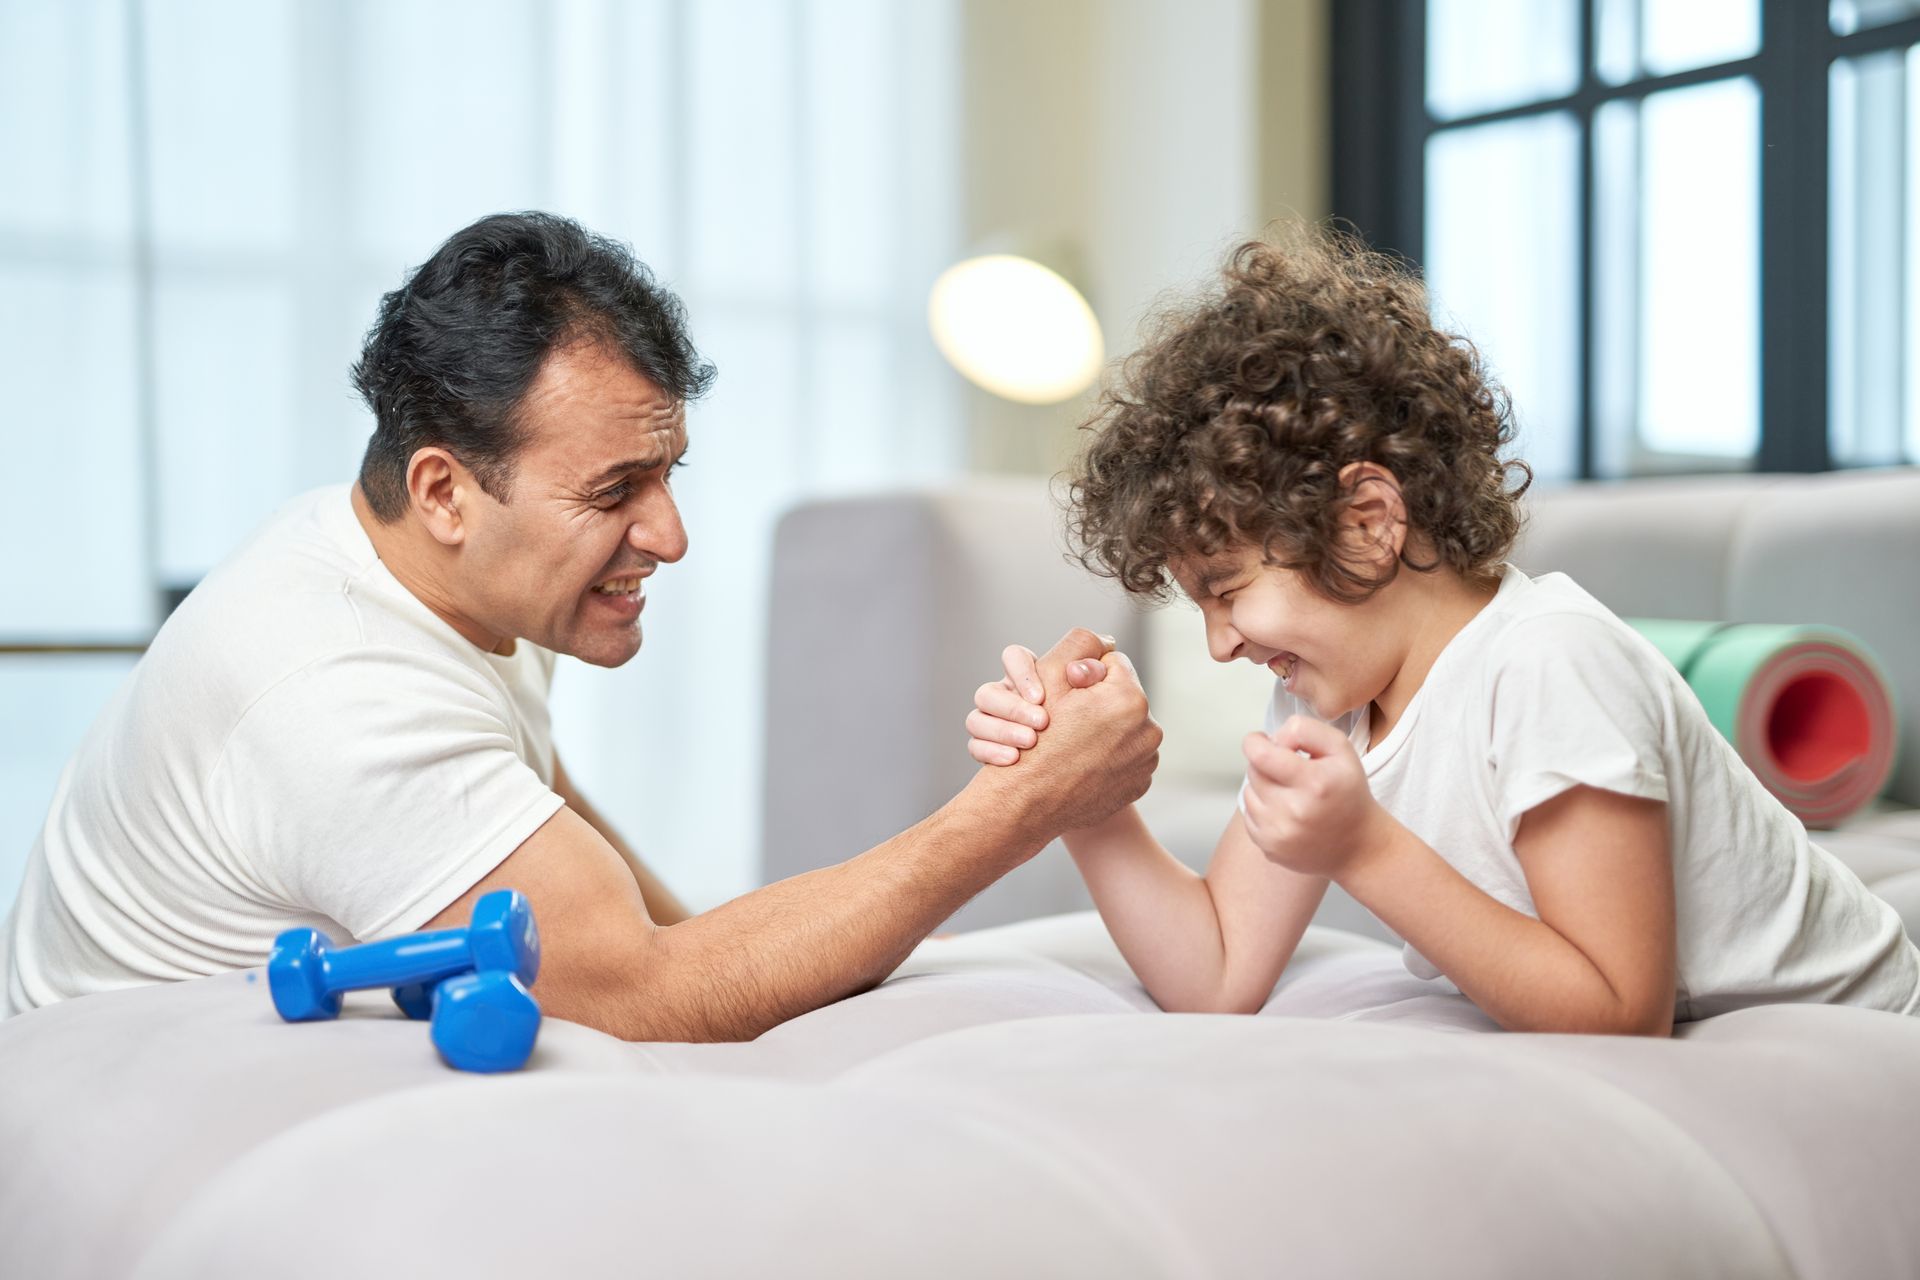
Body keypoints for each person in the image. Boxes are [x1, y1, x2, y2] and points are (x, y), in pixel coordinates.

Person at [0, 211, 1162, 1038]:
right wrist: (1025, 804)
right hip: (152, 1088)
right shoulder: (335, 693)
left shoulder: (395, 559)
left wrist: (787, 935)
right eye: (614, 492)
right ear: (447, 490)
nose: (669, 534)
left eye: (668, 474)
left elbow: (529, 800)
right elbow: (649, 995)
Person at [963, 227, 1920, 1033]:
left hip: (1853, 1044)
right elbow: (1215, 975)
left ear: (1368, 523)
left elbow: (1619, 1014)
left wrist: (1363, 849)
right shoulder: (1326, 699)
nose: (1220, 644)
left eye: (1227, 589)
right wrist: (1079, 798)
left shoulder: (1548, 664)